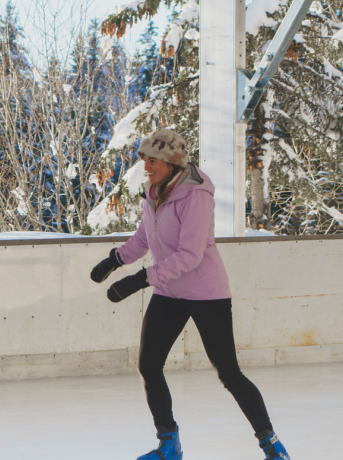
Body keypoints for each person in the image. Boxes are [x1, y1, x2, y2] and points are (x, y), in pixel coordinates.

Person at [89, 129, 290, 460]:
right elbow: (145, 237)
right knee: (149, 365)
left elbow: (190, 255)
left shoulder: (196, 195)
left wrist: (141, 279)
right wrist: (115, 260)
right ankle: (169, 445)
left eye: (152, 160)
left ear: (170, 161)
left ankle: (272, 445)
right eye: (144, 160)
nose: (146, 167)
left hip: (206, 292)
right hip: (170, 291)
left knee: (229, 372)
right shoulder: (156, 190)